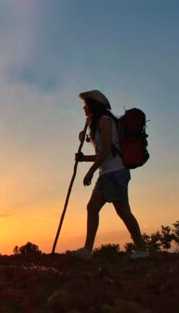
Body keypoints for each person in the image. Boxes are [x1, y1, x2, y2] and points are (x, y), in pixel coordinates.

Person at [70, 90, 149, 260]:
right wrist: (84, 158)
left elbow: (106, 152)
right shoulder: (97, 123)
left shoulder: (105, 121)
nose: (83, 107)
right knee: (93, 208)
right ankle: (87, 250)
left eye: (85, 104)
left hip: (115, 173)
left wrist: (90, 171)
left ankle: (142, 248)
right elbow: (102, 153)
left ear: (92, 105)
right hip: (107, 173)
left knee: (123, 212)